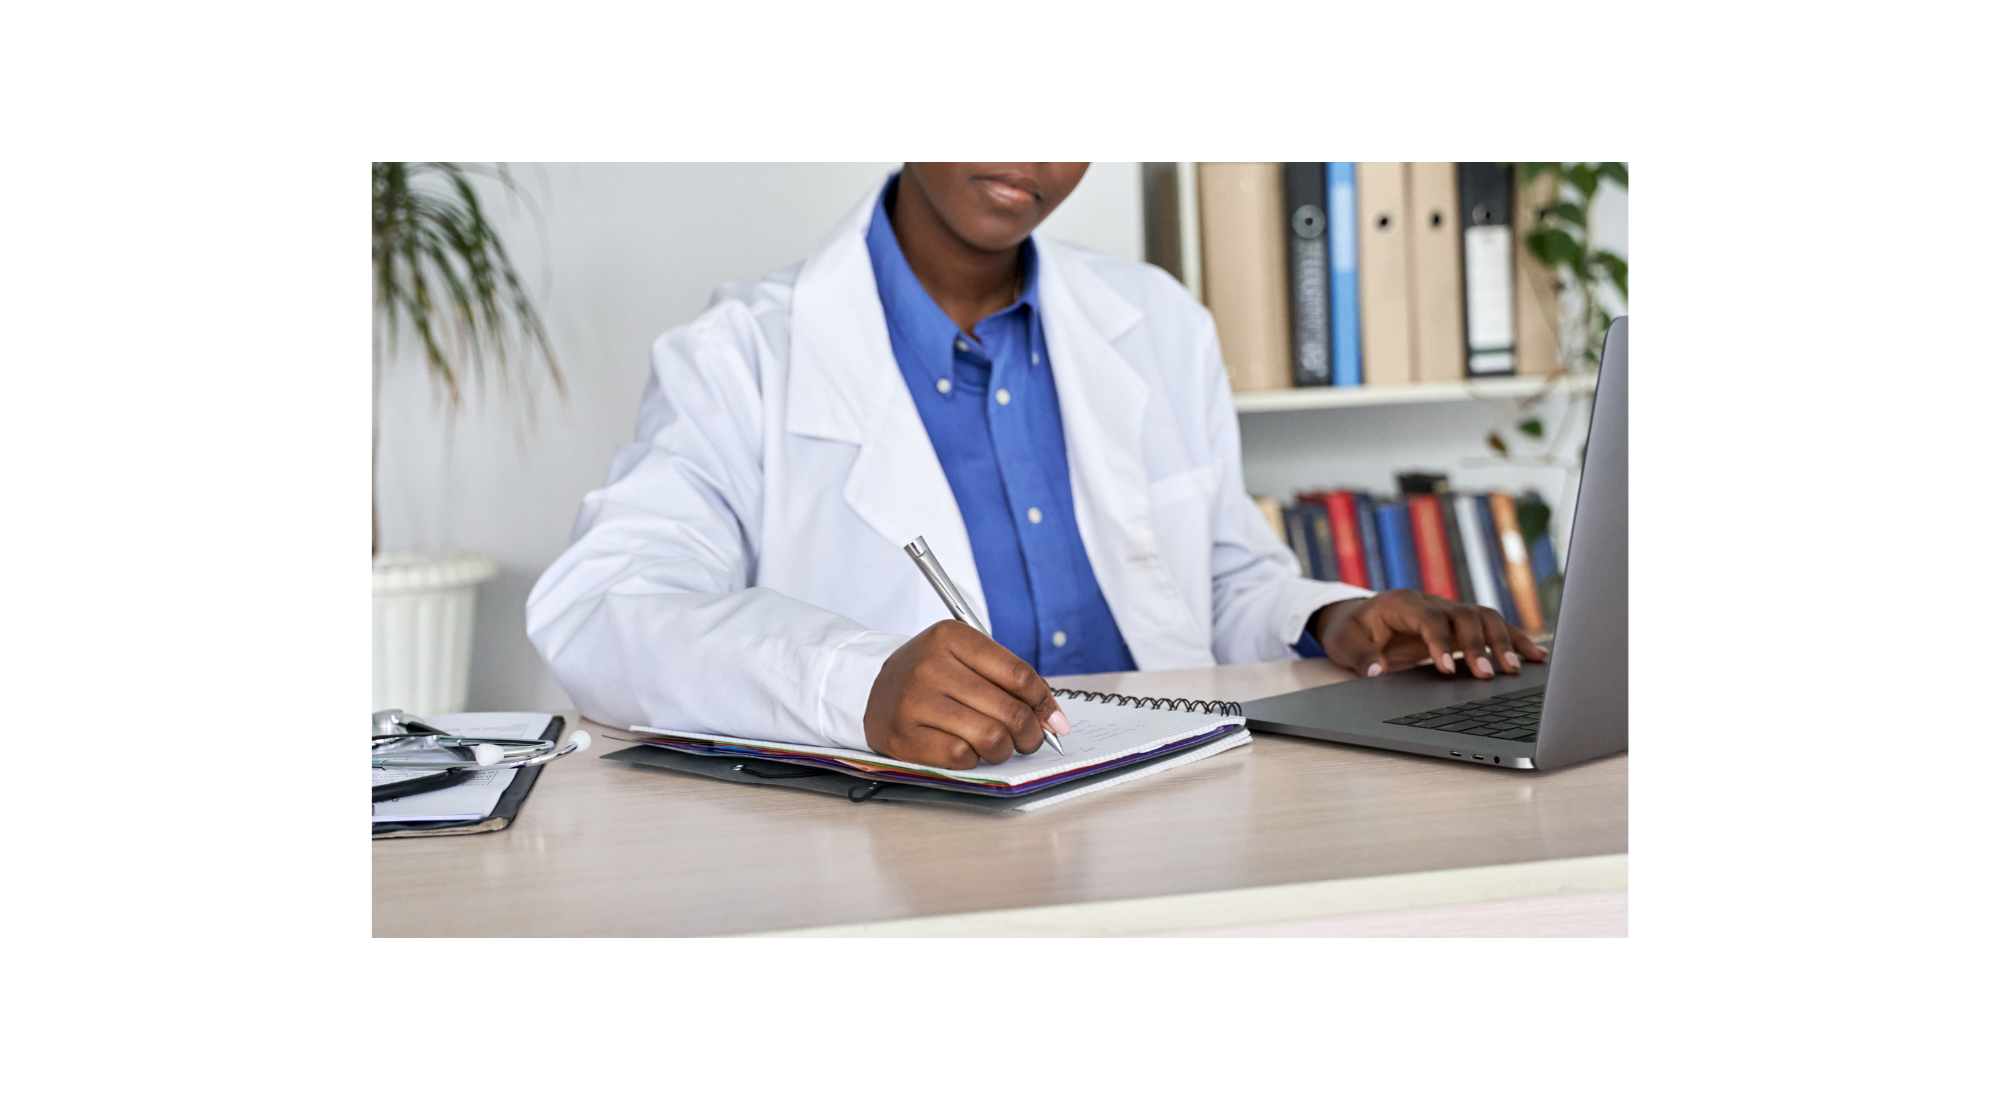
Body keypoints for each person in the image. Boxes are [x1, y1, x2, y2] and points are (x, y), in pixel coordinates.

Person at [527, 163, 1546, 769]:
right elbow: (605, 603)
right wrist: (856, 682)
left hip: (1173, 794)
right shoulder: (740, 352)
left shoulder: (1155, 321)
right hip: (914, 832)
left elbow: (1219, 578)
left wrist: (1333, 617)